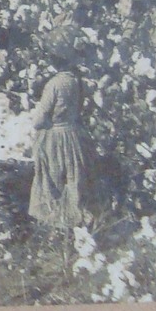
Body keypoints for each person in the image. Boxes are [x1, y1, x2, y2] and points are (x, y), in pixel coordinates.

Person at [27, 28, 97, 230]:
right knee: (73, 178)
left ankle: (58, 225)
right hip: (74, 134)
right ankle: (78, 223)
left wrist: (46, 123)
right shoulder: (76, 81)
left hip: (56, 138)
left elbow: (38, 120)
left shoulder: (54, 84)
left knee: (55, 181)